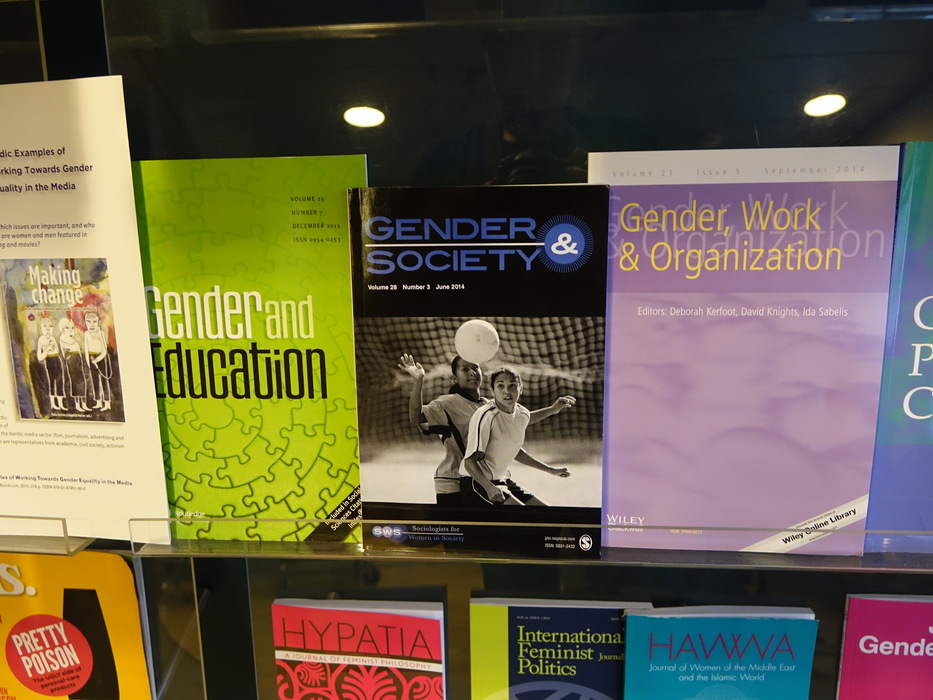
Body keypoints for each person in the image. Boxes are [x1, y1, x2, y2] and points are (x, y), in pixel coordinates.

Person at [461, 366, 574, 506]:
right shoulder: (486, 416)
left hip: (503, 480)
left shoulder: (521, 413)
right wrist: (489, 488)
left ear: (520, 388)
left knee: (547, 513)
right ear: (492, 391)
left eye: (512, 385)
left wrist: (552, 410)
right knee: (525, 517)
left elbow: (523, 426)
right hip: (477, 484)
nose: (507, 391)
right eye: (500, 386)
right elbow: (469, 462)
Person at [398, 353, 487, 506]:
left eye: (475, 368)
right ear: (454, 379)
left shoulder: (488, 405)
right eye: (465, 369)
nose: (472, 372)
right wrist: (418, 380)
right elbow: (416, 417)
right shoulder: (446, 403)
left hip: (483, 480)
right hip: (454, 482)